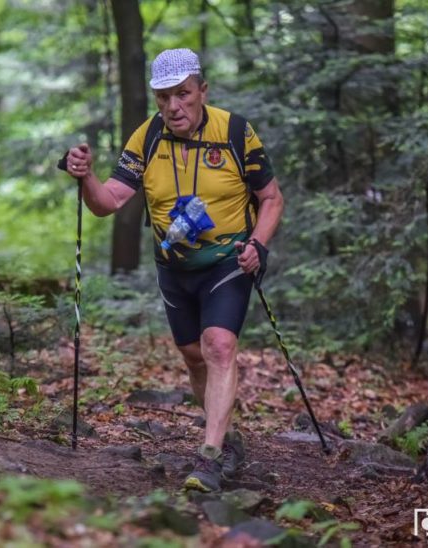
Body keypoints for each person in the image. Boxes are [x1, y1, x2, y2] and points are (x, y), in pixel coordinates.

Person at [66, 48, 284, 492]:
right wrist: (86, 177)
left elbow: (271, 199)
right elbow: (108, 202)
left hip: (227, 260)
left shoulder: (236, 133)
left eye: (183, 94)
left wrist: (258, 245)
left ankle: (210, 457)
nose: (173, 106)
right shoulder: (147, 138)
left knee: (218, 345)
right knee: (193, 355)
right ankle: (228, 438)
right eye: (163, 97)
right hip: (174, 266)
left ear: (203, 90)